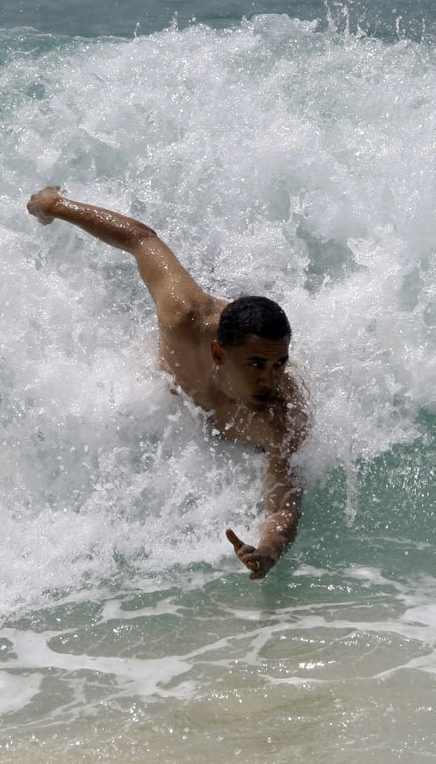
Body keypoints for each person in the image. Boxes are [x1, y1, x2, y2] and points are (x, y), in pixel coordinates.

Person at [27, 186, 310, 580]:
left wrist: (267, 552)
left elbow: (282, 507)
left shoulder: (281, 417)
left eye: (280, 364)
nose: (270, 379)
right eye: (257, 365)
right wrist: (55, 207)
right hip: (177, 383)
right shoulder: (183, 315)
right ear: (217, 355)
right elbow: (140, 239)